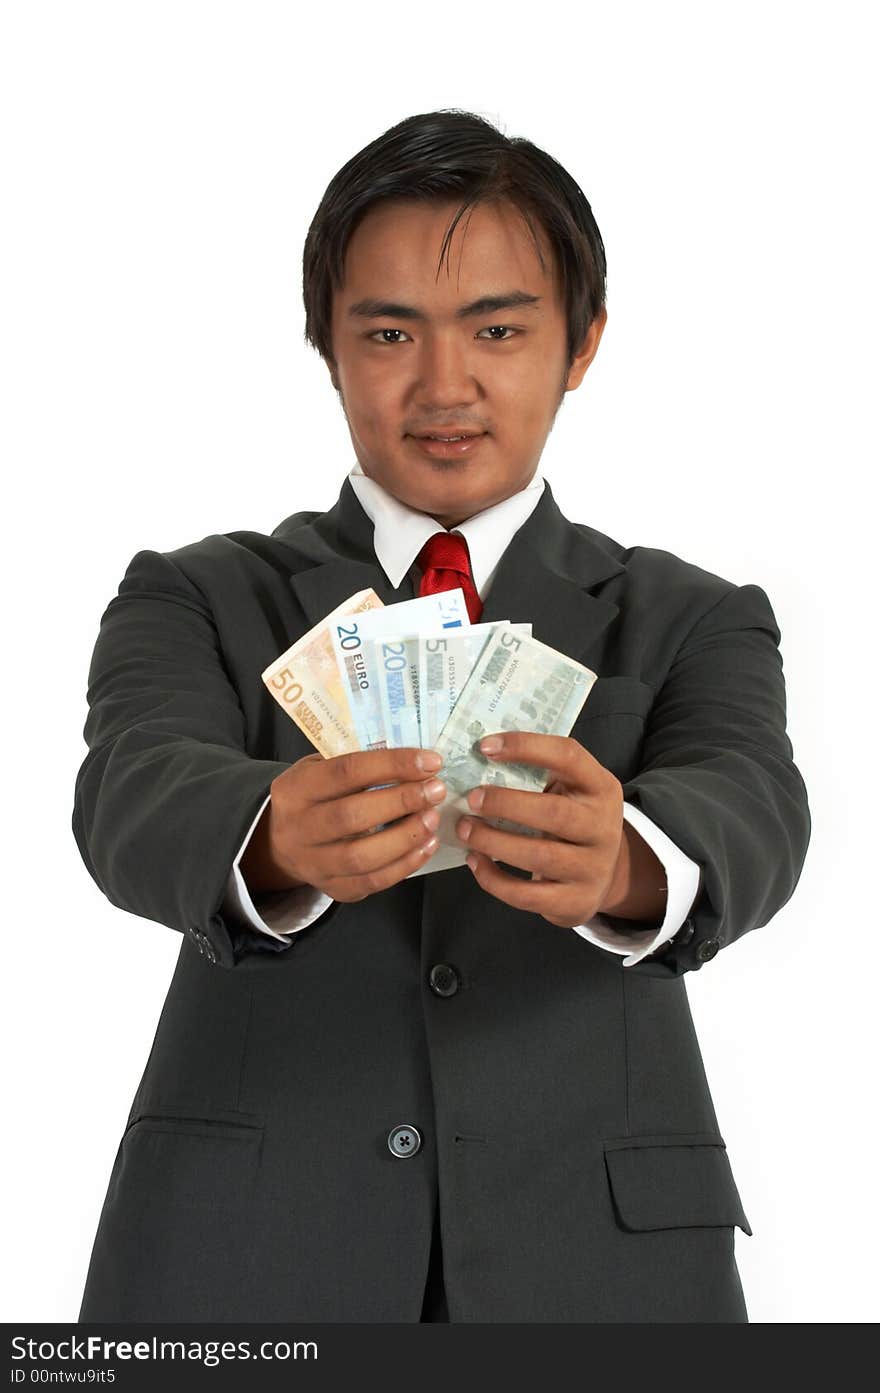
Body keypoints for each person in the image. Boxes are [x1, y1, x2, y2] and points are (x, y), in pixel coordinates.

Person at [73, 109, 811, 1323]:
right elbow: (130, 786)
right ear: (328, 346)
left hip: (602, 1263)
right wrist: (264, 835)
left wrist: (630, 858)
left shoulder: (694, 615)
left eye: (499, 329)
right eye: (388, 332)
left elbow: (752, 800)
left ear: (580, 345)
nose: (444, 384)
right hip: (240, 1262)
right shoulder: (196, 592)